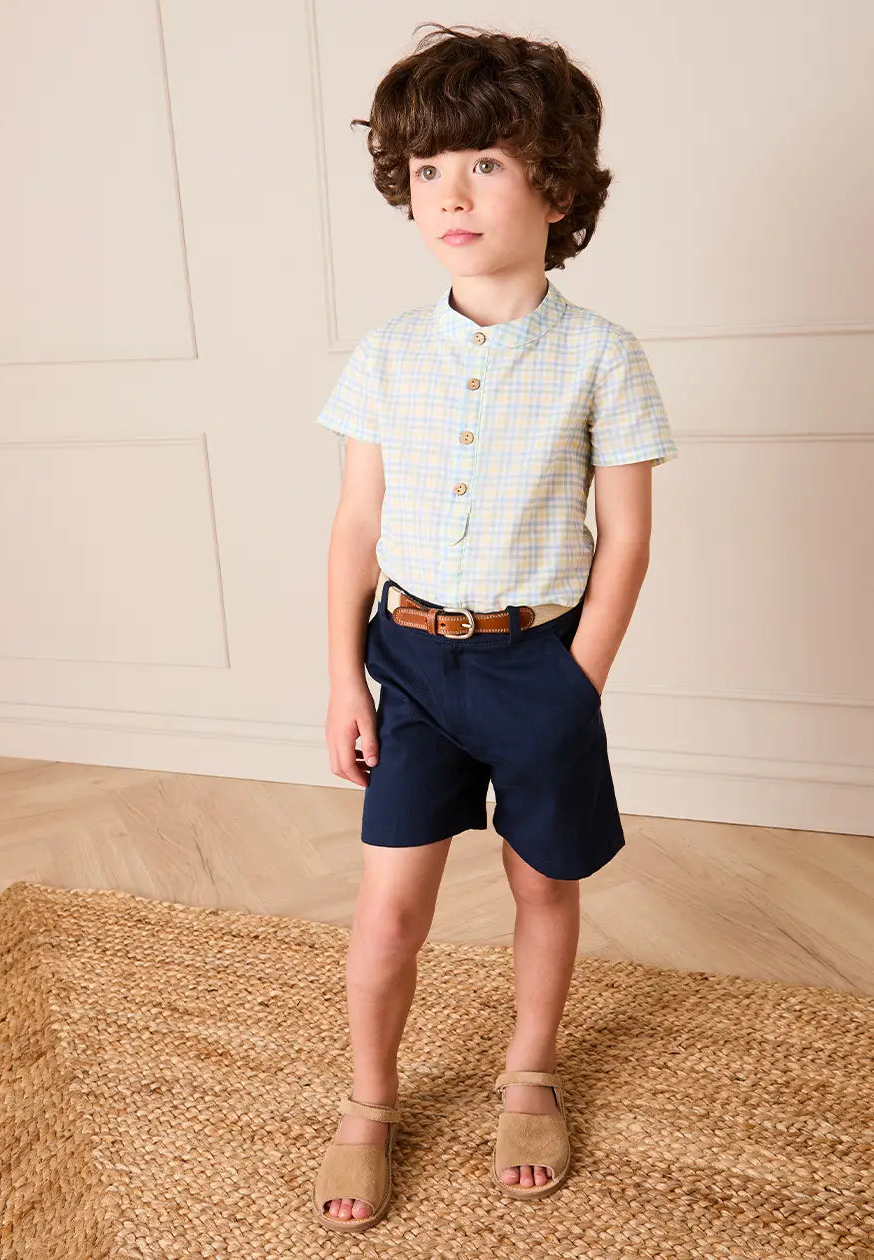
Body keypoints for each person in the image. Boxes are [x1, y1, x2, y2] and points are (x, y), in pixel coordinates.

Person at [311, 22, 679, 1232]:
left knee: (543, 887)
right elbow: (355, 526)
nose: (450, 195)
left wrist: (576, 684)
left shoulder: (604, 358)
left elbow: (625, 536)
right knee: (388, 907)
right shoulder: (386, 355)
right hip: (410, 666)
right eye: (427, 170)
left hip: (539, 666)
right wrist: (345, 679)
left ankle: (530, 1075)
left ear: (556, 189)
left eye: (484, 162)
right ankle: (370, 1102)